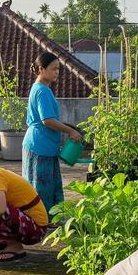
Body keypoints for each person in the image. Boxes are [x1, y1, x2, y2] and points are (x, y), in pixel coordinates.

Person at [22, 52, 82, 212]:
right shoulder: (42, 91)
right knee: (42, 190)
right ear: (41, 69)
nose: (57, 72)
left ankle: (44, 219)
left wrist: (68, 127)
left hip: (41, 145)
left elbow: (47, 118)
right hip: (40, 146)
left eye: (58, 69)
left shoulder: (39, 88)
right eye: (53, 69)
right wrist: (70, 131)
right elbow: (47, 120)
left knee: (44, 187)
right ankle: (43, 220)